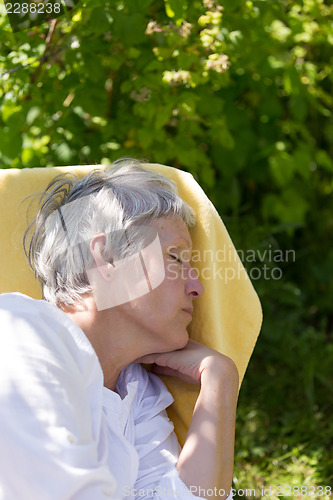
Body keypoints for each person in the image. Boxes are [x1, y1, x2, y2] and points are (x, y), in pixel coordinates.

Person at [0, 159, 239, 500]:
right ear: (106, 258)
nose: (197, 286)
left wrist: (220, 379)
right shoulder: (20, 332)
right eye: (176, 257)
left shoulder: (135, 394)